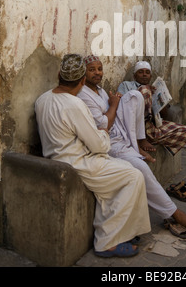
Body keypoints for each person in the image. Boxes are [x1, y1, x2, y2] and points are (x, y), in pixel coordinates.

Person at [78, 55, 186, 238]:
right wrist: (114, 103)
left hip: (127, 130)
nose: (97, 73)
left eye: (99, 69)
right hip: (109, 141)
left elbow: (162, 114)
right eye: (92, 70)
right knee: (140, 168)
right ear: (84, 73)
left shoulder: (99, 90)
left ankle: (137, 143)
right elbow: (103, 125)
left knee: (135, 96)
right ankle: (175, 214)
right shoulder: (83, 94)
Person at [35, 53, 151, 258]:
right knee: (133, 176)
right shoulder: (74, 104)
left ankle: (122, 230)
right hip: (77, 163)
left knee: (121, 175)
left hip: (60, 158)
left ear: (59, 75)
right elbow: (99, 145)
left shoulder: (43, 99)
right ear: (81, 80)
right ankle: (107, 242)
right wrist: (104, 134)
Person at [117, 61, 186, 156]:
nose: (144, 74)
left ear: (150, 76)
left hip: (150, 128)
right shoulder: (126, 85)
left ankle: (150, 139)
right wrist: (145, 92)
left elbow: (164, 116)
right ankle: (140, 139)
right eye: (141, 72)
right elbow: (121, 104)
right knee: (144, 90)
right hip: (132, 126)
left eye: (147, 72)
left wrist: (160, 101)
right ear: (134, 76)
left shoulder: (154, 89)